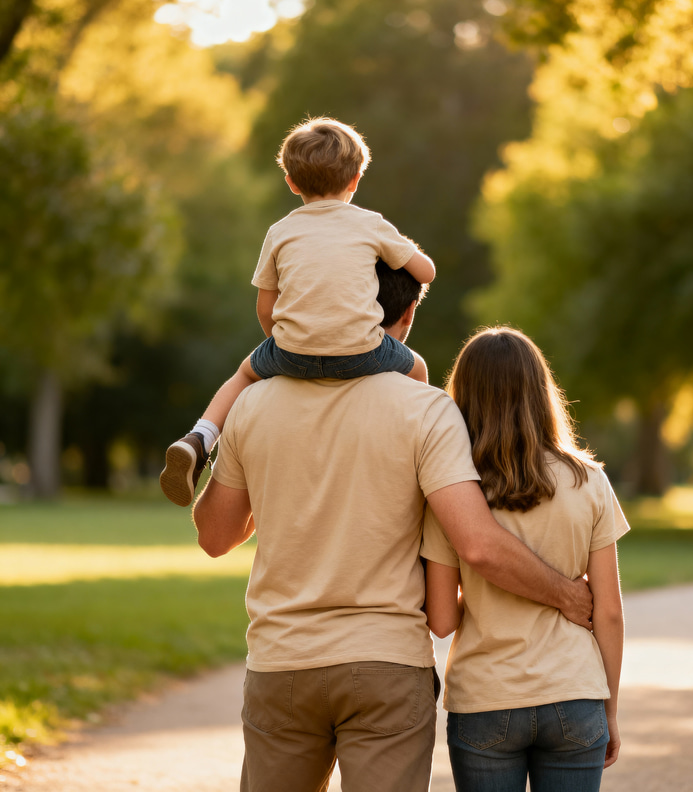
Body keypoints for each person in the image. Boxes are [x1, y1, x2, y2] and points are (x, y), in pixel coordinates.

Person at [191, 269, 594, 792]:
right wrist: (567, 594)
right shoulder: (426, 410)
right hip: (386, 665)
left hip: (282, 661)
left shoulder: (253, 404)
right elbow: (476, 542)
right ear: (406, 315)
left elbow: (214, 536)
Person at [160, 117, 436, 507]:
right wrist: (397, 245)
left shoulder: (280, 232)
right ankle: (424, 455)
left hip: (292, 352)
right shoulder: (371, 224)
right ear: (357, 178)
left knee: (243, 374)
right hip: (362, 350)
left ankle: (199, 439)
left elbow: (266, 306)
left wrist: (281, 341)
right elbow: (426, 272)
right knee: (418, 369)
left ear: (290, 181)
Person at [422, 326, 628, 792]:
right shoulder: (590, 482)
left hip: (485, 699)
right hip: (575, 694)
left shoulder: (453, 494)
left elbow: (440, 619)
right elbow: (609, 612)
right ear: (540, 392)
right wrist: (609, 708)